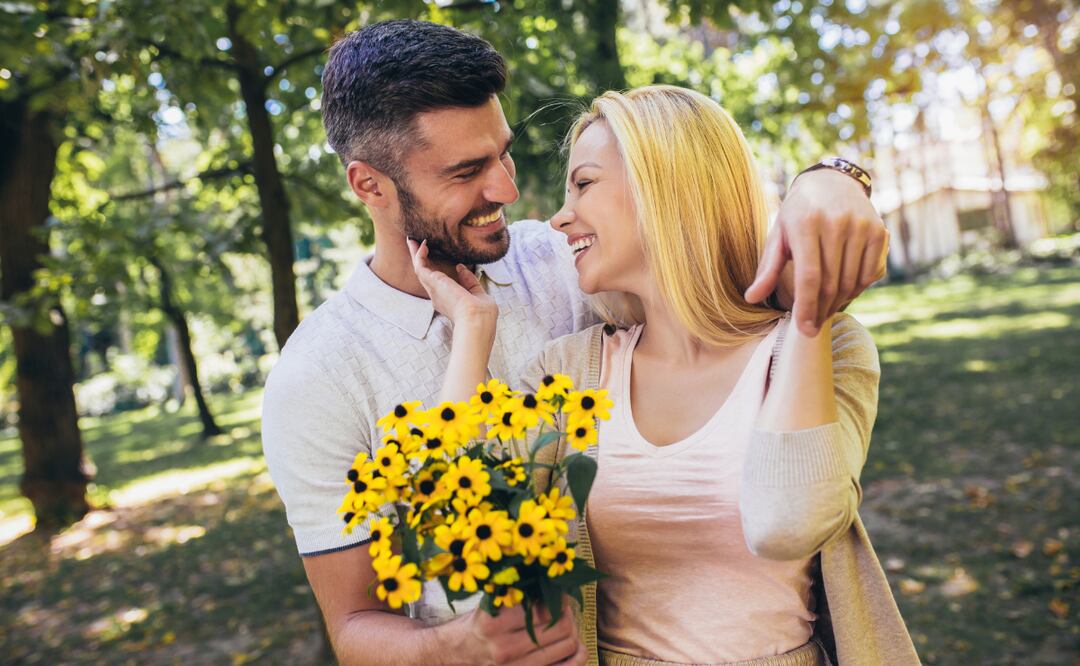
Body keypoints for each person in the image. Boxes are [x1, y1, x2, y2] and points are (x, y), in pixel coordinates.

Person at [261, 20, 890, 666]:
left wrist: (833, 178)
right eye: (467, 171)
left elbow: (709, 250)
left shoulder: (563, 259)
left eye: (503, 153)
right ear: (369, 184)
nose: (508, 191)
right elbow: (353, 625)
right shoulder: (317, 377)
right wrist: (462, 646)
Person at [410, 85, 919, 665]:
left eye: (584, 184)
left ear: (664, 186)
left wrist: (809, 300)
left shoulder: (826, 347)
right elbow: (454, 529)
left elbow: (788, 523)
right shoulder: (569, 373)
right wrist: (473, 327)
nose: (559, 217)